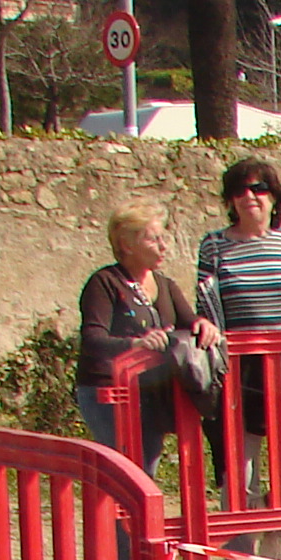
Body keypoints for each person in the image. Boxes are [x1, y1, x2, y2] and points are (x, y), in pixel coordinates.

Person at [196, 157, 281, 560]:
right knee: (240, 469)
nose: (250, 197)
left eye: (259, 189)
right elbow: (208, 306)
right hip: (238, 369)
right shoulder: (213, 246)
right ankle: (238, 556)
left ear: (274, 198)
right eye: (240, 190)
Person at [75, 199, 219, 473]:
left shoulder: (165, 284)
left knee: (146, 470)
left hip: (152, 391)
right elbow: (93, 339)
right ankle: (118, 518)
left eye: (163, 238)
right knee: (124, 473)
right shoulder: (105, 282)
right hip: (108, 390)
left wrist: (204, 325)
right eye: (153, 239)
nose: (164, 246)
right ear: (127, 245)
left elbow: (189, 322)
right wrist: (135, 345)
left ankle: (138, 518)